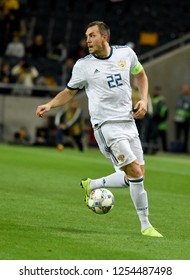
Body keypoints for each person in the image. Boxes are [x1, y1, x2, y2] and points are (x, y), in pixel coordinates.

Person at [36, 21, 163, 237]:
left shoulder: (126, 54)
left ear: (104, 37)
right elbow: (69, 92)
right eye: (87, 36)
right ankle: (145, 225)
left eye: (92, 35)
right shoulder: (83, 65)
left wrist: (143, 100)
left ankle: (92, 184)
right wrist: (50, 104)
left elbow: (140, 75)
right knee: (133, 171)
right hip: (106, 126)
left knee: (136, 175)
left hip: (128, 122)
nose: (88, 40)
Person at [174, 84, 190, 153]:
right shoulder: (180, 98)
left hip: (186, 120)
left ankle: (184, 149)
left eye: (186, 88)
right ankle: (177, 149)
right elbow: (177, 108)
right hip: (178, 119)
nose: (184, 90)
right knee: (178, 135)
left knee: (186, 135)